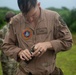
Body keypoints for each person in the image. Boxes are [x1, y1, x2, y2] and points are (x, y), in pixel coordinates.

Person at [2, 0, 72, 75]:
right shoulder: (15, 21)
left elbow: (68, 41)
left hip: (50, 72)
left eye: (33, 15)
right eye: (26, 16)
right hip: (25, 72)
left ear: (38, 4)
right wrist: (19, 52)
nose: (30, 19)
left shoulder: (53, 17)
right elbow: (6, 45)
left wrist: (48, 45)